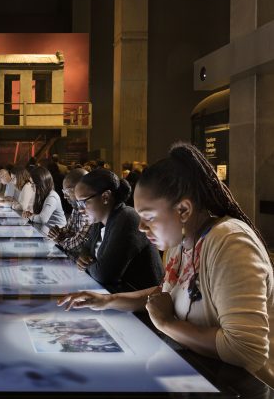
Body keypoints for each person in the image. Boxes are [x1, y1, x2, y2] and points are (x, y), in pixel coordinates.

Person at [59, 143, 274, 388]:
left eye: (149, 217)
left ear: (183, 210)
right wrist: (108, 300)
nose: (141, 227)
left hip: (240, 387)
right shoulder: (179, 243)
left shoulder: (231, 244)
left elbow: (244, 350)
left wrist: (167, 323)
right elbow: (165, 294)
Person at [71, 168, 163, 290]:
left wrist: (87, 264)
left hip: (143, 303)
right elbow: (85, 249)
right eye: (77, 204)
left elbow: (104, 274)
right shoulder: (99, 221)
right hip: (116, 296)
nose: (80, 209)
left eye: (83, 202)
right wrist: (85, 258)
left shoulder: (127, 218)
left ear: (105, 197)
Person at [47, 168, 92, 259]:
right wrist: (57, 232)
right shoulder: (76, 207)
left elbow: (79, 245)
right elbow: (68, 230)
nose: (64, 196)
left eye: (67, 192)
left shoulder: (90, 208)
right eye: (64, 192)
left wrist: (59, 239)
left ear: (80, 188)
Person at [23, 166, 67, 233]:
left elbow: (42, 219)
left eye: (33, 183)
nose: (31, 186)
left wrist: (30, 216)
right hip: (47, 231)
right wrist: (31, 214)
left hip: (58, 234)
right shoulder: (41, 194)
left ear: (40, 183)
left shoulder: (52, 196)